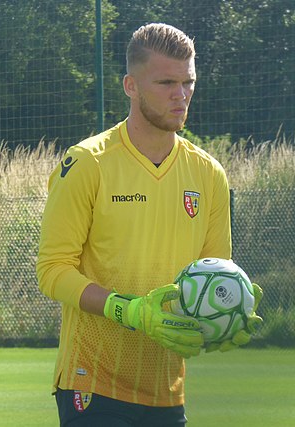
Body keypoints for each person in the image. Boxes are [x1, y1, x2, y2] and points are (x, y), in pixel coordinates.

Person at [37, 23, 262, 427]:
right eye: (166, 82)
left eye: (188, 82)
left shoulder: (209, 174)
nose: (181, 94)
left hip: (167, 392)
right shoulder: (88, 162)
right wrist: (131, 310)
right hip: (92, 384)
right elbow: (52, 270)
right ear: (131, 85)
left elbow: (210, 276)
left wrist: (227, 317)